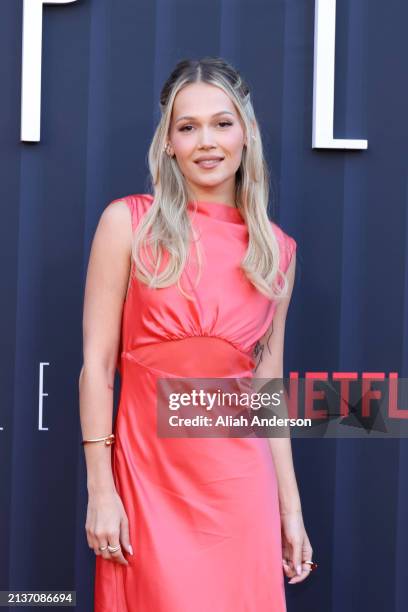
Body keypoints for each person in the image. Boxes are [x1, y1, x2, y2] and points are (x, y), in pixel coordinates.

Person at [79, 56, 316, 612]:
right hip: (148, 484)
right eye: (188, 127)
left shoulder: (277, 253)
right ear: (168, 143)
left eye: (222, 123)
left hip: (240, 490)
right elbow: (96, 364)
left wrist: (289, 510)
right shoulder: (127, 223)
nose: (206, 142)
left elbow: (267, 393)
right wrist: (100, 489)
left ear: (247, 135)